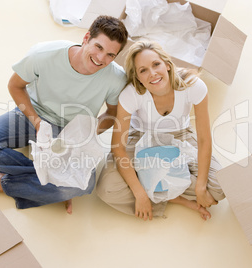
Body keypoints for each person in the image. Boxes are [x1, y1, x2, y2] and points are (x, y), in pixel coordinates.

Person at [0, 15, 129, 214]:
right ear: (86, 38)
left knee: (83, 185)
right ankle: (49, 185)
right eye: (99, 47)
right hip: (31, 115)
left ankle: (5, 183)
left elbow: (111, 114)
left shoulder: (116, 77)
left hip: (68, 131)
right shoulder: (44, 53)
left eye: (111, 55)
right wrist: (37, 123)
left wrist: (81, 134)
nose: (101, 59)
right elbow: (15, 86)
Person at [96, 41, 225, 221]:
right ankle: (175, 198)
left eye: (156, 64)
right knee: (107, 189)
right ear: (137, 78)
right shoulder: (131, 94)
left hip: (180, 135)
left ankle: (157, 183)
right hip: (141, 137)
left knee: (220, 187)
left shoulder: (194, 86)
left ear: (167, 64)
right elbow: (118, 148)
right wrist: (140, 194)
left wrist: (201, 187)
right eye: (143, 70)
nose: (153, 74)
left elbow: (204, 139)